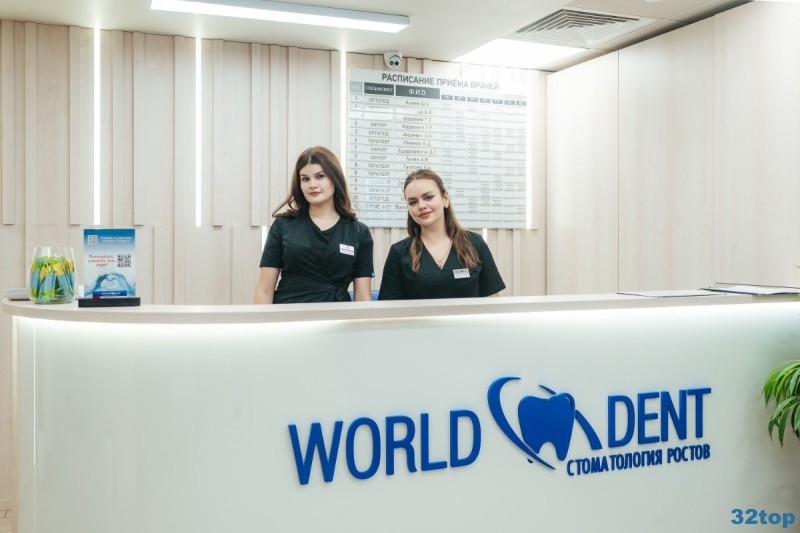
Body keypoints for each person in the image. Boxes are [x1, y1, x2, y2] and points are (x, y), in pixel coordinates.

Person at [253, 146, 374, 304]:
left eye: (320, 176)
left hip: (337, 315)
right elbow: (264, 290)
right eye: (305, 179)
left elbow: (363, 297)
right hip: (288, 313)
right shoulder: (283, 225)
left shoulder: (359, 232)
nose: (312, 184)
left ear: (335, 179)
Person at [378, 169, 505, 300]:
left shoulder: (475, 243)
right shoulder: (399, 253)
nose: (421, 206)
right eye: (413, 202)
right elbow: (389, 308)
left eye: (428, 197)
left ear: (445, 198)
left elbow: (492, 300)